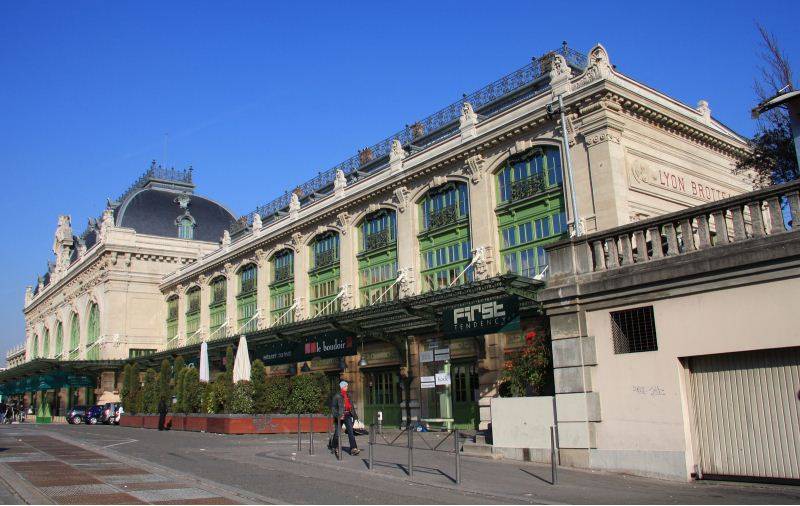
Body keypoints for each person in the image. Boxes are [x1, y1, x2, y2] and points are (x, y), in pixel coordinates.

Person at [329, 380, 359, 457]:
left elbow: (351, 406)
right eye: (346, 386)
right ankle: (334, 446)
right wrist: (338, 415)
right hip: (340, 416)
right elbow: (333, 408)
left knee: (350, 432)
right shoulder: (337, 396)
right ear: (342, 387)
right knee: (337, 433)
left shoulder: (348, 395)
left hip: (348, 415)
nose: (347, 387)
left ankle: (353, 448)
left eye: (347, 386)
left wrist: (355, 416)